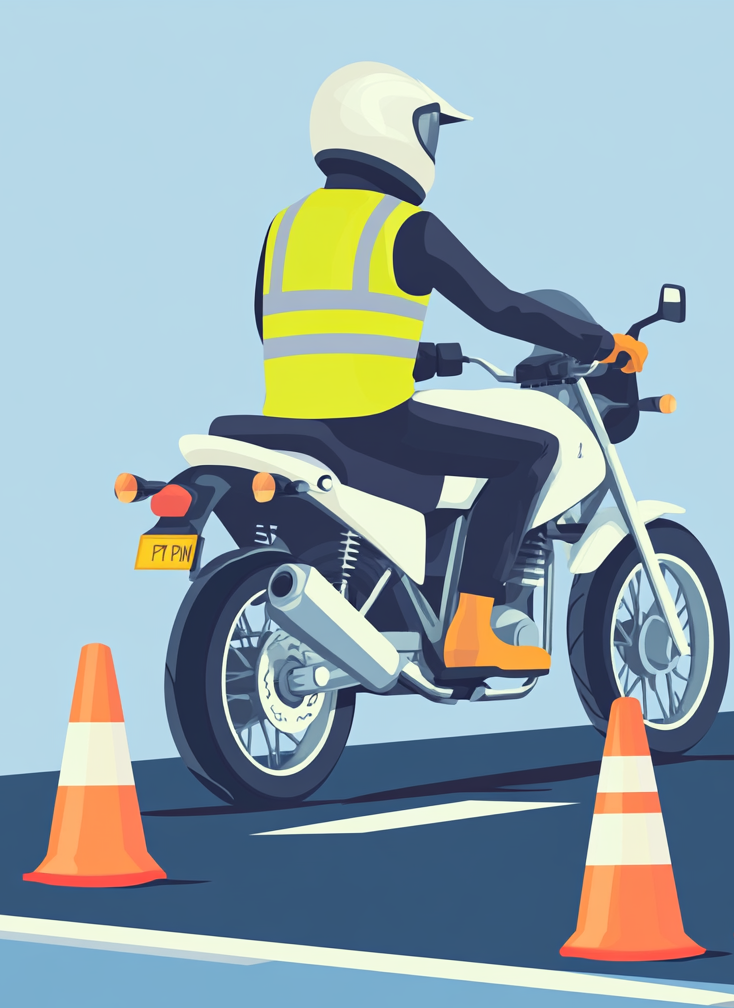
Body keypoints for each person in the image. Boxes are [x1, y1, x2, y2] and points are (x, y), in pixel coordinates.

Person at [247, 62, 646, 677]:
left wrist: (425, 357)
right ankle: (469, 631)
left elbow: (290, 329)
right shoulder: (405, 227)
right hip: (372, 425)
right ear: (391, 131)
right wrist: (601, 342)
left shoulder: (285, 226)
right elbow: (503, 308)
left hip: (289, 425)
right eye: (427, 129)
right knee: (533, 452)